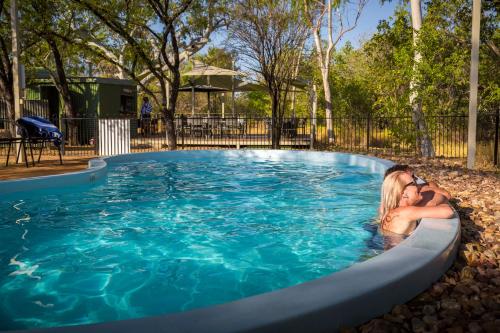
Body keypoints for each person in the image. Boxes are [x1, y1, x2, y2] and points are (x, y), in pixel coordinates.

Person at [379, 171, 454, 235]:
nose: (419, 186)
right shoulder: (406, 212)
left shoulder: (391, 210)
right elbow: (448, 211)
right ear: (403, 193)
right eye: (414, 183)